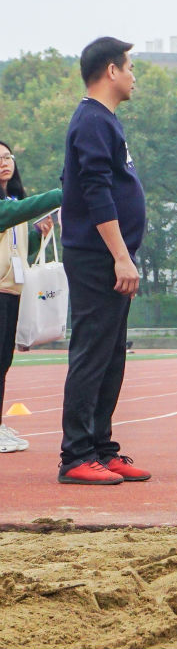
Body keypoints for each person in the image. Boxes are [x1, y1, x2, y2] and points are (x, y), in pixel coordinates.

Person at [57, 37, 150, 485]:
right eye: (129, 67)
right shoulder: (92, 120)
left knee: (111, 356)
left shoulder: (105, 121)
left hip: (109, 257)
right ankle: (75, 455)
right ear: (111, 70)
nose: (134, 77)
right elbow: (95, 190)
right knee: (92, 353)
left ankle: (100, 447)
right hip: (97, 258)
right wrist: (120, 257)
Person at [0, 141, 61, 454]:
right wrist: (61, 194)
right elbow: (12, 214)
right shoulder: (11, 209)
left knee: (3, 361)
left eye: (7, 156)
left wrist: (38, 235)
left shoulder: (13, 202)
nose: (4, 162)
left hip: (12, 290)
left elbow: (22, 253)